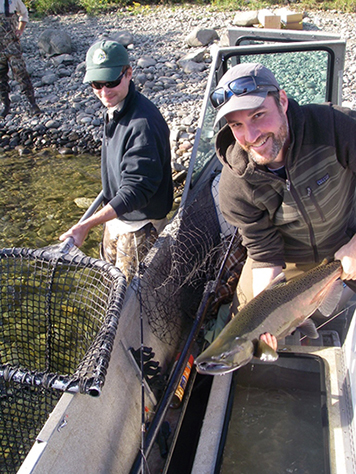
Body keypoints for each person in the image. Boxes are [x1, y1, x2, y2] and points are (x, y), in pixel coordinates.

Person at [211, 62, 356, 350]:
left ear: (283, 101)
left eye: (259, 115)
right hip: (289, 259)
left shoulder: (336, 128)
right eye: (237, 125)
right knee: (245, 336)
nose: (251, 136)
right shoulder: (235, 186)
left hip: (345, 240)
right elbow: (265, 253)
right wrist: (267, 314)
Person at [59, 40, 174, 282]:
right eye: (96, 84)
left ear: (129, 73)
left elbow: (136, 190)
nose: (104, 92)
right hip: (117, 217)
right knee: (107, 281)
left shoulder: (142, 123)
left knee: (129, 295)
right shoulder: (117, 107)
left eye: (111, 82)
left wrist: (86, 225)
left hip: (140, 227)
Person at [0, 0, 41, 118]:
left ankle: (32, 104)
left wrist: (20, 29)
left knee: (21, 73)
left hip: (12, 45)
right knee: (0, 78)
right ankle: (5, 106)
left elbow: (24, 13)